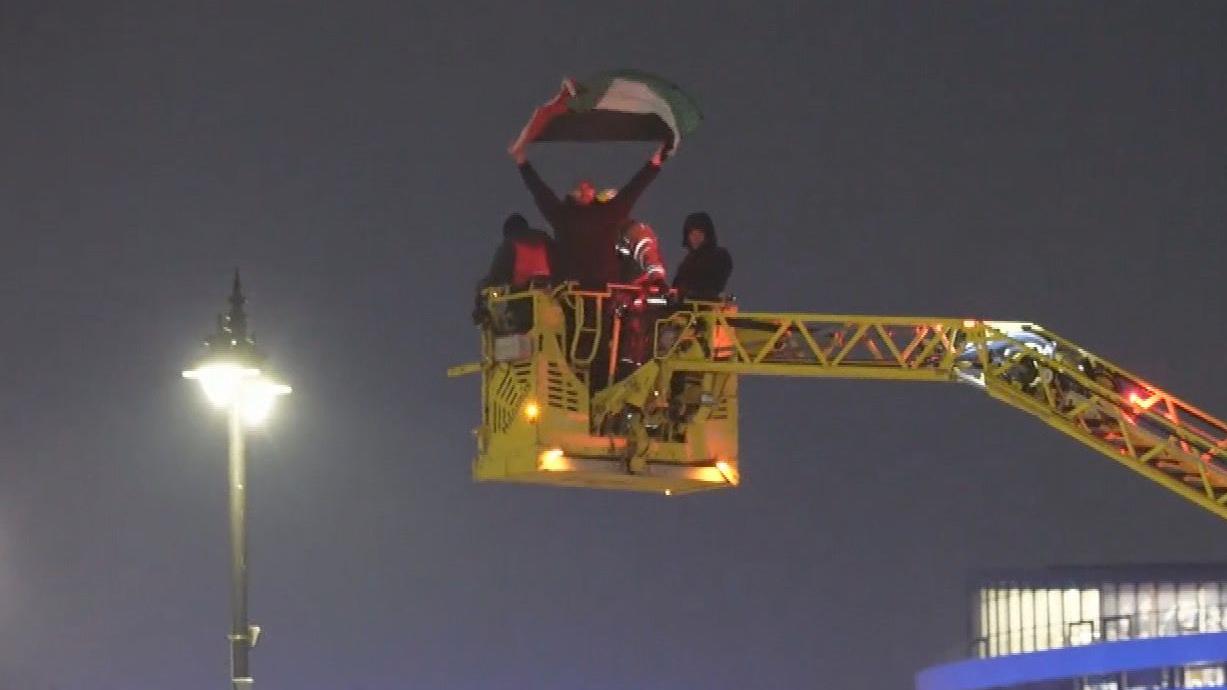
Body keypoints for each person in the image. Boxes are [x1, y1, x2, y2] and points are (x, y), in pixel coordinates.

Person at [509, 142, 667, 289]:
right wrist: (522, 162)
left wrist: (656, 161)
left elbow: (634, 188)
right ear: (571, 193)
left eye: (589, 187)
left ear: (594, 192)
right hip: (571, 292)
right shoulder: (561, 214)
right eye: (580, 188)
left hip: (604, 291)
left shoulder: (608, 213)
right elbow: (539, 190)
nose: (584, 191)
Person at [473, 213, 557, 329]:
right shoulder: (546, 241)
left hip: (523, 305)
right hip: (553, 302)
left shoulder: (510, 245)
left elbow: (495, 276)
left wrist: (480, 295)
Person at [672, 211, 733, 301]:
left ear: (707, 235)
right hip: (682, 306)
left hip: (704, 307)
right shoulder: (686, 262)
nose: (695, 238)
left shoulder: (719, 255)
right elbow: (676, 286)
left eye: (699, 234)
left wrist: (686, 293)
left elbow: (712, 285)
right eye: (692, 234)